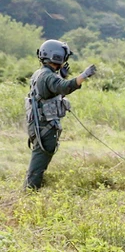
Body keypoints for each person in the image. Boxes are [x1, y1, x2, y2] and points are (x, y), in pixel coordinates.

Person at [24, 40, 97, 190]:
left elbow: (53, 89)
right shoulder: (48, 76)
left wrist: (61, 76)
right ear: (57, 56)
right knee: (38, 164)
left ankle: (31, 190)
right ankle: (30, 193)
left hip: (40, 124)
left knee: (39, 161)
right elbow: (64, 88)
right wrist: (84, 75)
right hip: (46, 126)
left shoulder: (41, 73)